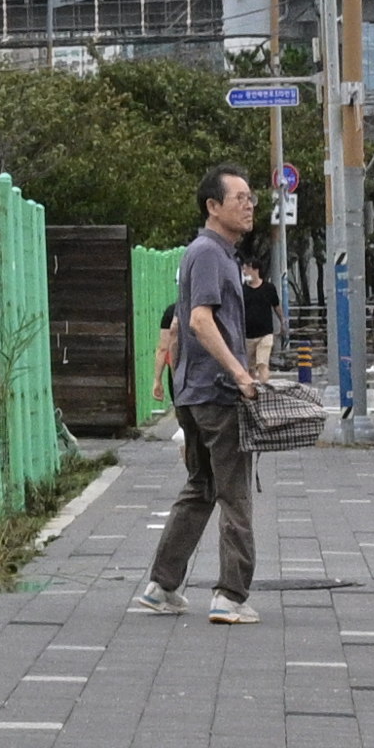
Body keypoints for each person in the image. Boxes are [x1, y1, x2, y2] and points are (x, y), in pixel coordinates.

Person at [147, 167, 275, 624]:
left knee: (201, 487)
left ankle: (162, 586)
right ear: (213, 207)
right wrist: (241, 373)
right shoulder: (208, 253)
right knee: (235, 493)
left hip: (196, 389)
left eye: (251, 197)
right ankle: (230, 596)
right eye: (239, 197)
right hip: (215, 393)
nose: (249, 205)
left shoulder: (216, 254)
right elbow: (200, 320)